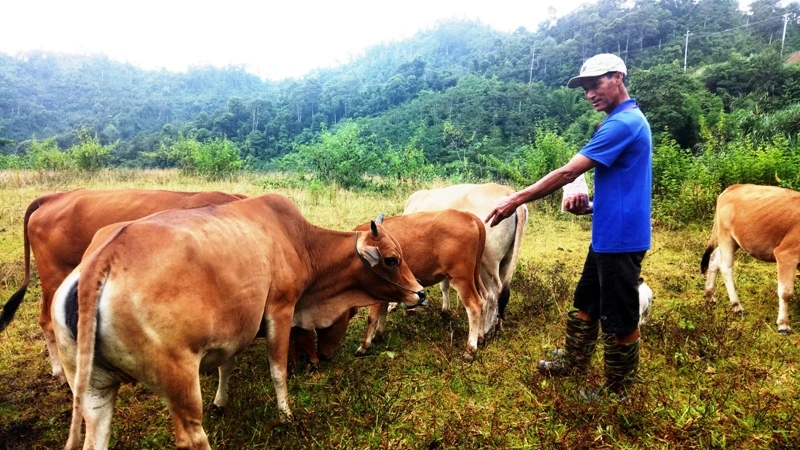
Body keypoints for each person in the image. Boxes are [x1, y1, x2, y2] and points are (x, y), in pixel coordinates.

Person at [485, 53, 652, 395]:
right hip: (608, 234)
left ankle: (618, 391)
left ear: (618, 77)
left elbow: (568, 172)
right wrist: (589, 206)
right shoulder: (618, 121)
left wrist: (515, 199)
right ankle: (574, 361)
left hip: (621, 238)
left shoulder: (623, 124)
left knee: (620, 316)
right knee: (586, 301)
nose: (590, 94)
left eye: (596, 85)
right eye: (585, 89)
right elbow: (623, 185)